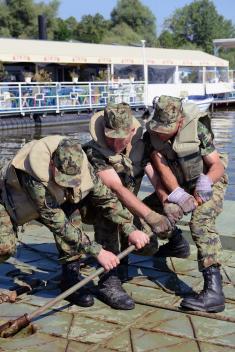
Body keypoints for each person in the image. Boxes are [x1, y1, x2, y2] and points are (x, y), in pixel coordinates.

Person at [0, 135, 152, 310]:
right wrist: (98, 251)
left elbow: (106, 199)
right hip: (9, 202)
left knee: (80, 206)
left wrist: (130, 228)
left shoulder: (82, 163)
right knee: (5, 248)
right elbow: (58, 223)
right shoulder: (34, 174)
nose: (69, 184)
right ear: (51, 164)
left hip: (50, 202)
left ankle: (71, 278)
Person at [144, 95, 228, 313]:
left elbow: (217, 166)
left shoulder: (198, 129)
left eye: (168, 127)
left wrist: (205, 182)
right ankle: (176, 244)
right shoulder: (152, 135)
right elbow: (159, 170)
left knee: (200, 222)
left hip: (209, 181)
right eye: (160, 127)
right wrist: (174, 197)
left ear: (180, 121)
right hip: (178, 184)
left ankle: (214, 291)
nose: (162, 132)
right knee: (147, 214)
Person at [84, 103, 189, 272]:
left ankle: (174, 237)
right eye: (111, 137)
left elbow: (154, 176)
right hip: (103, 206)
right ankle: (110, 279)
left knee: (148, 247)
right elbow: (116, 187)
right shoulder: (94, 152)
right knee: (109, 216)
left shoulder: (141, 145)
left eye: (121, 138)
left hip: (129, 205)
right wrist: (151, 216)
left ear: (132, 131)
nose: (116, 144)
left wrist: (165, 201)